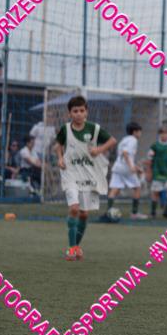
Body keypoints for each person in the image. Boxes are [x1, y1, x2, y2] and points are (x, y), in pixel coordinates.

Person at [54, 95, 116, 260]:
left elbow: (112, 140)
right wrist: (60, 158)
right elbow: (58, 145)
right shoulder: (65, 129)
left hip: (89, 175)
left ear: (86, 112)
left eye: (82, 110)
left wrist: (99, 150)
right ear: (69, 113)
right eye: (75, 111)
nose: (79, 114)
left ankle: (77, 246)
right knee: (74, 209)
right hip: (70, 173)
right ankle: (71, 248)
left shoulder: (94, 129)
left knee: (84, 214)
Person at [107, 122, 147, 219]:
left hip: (118, 167)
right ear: (135, 132)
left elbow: (124, 154)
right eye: (139, 131)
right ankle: (134, 213)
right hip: (126, 168)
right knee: (137, 188)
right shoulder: (133, 140)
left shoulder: (124, 139)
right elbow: (125, 153)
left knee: (114, 189)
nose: (140, 133)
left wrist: (135, 167)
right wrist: (131, 167)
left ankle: (109, 212)